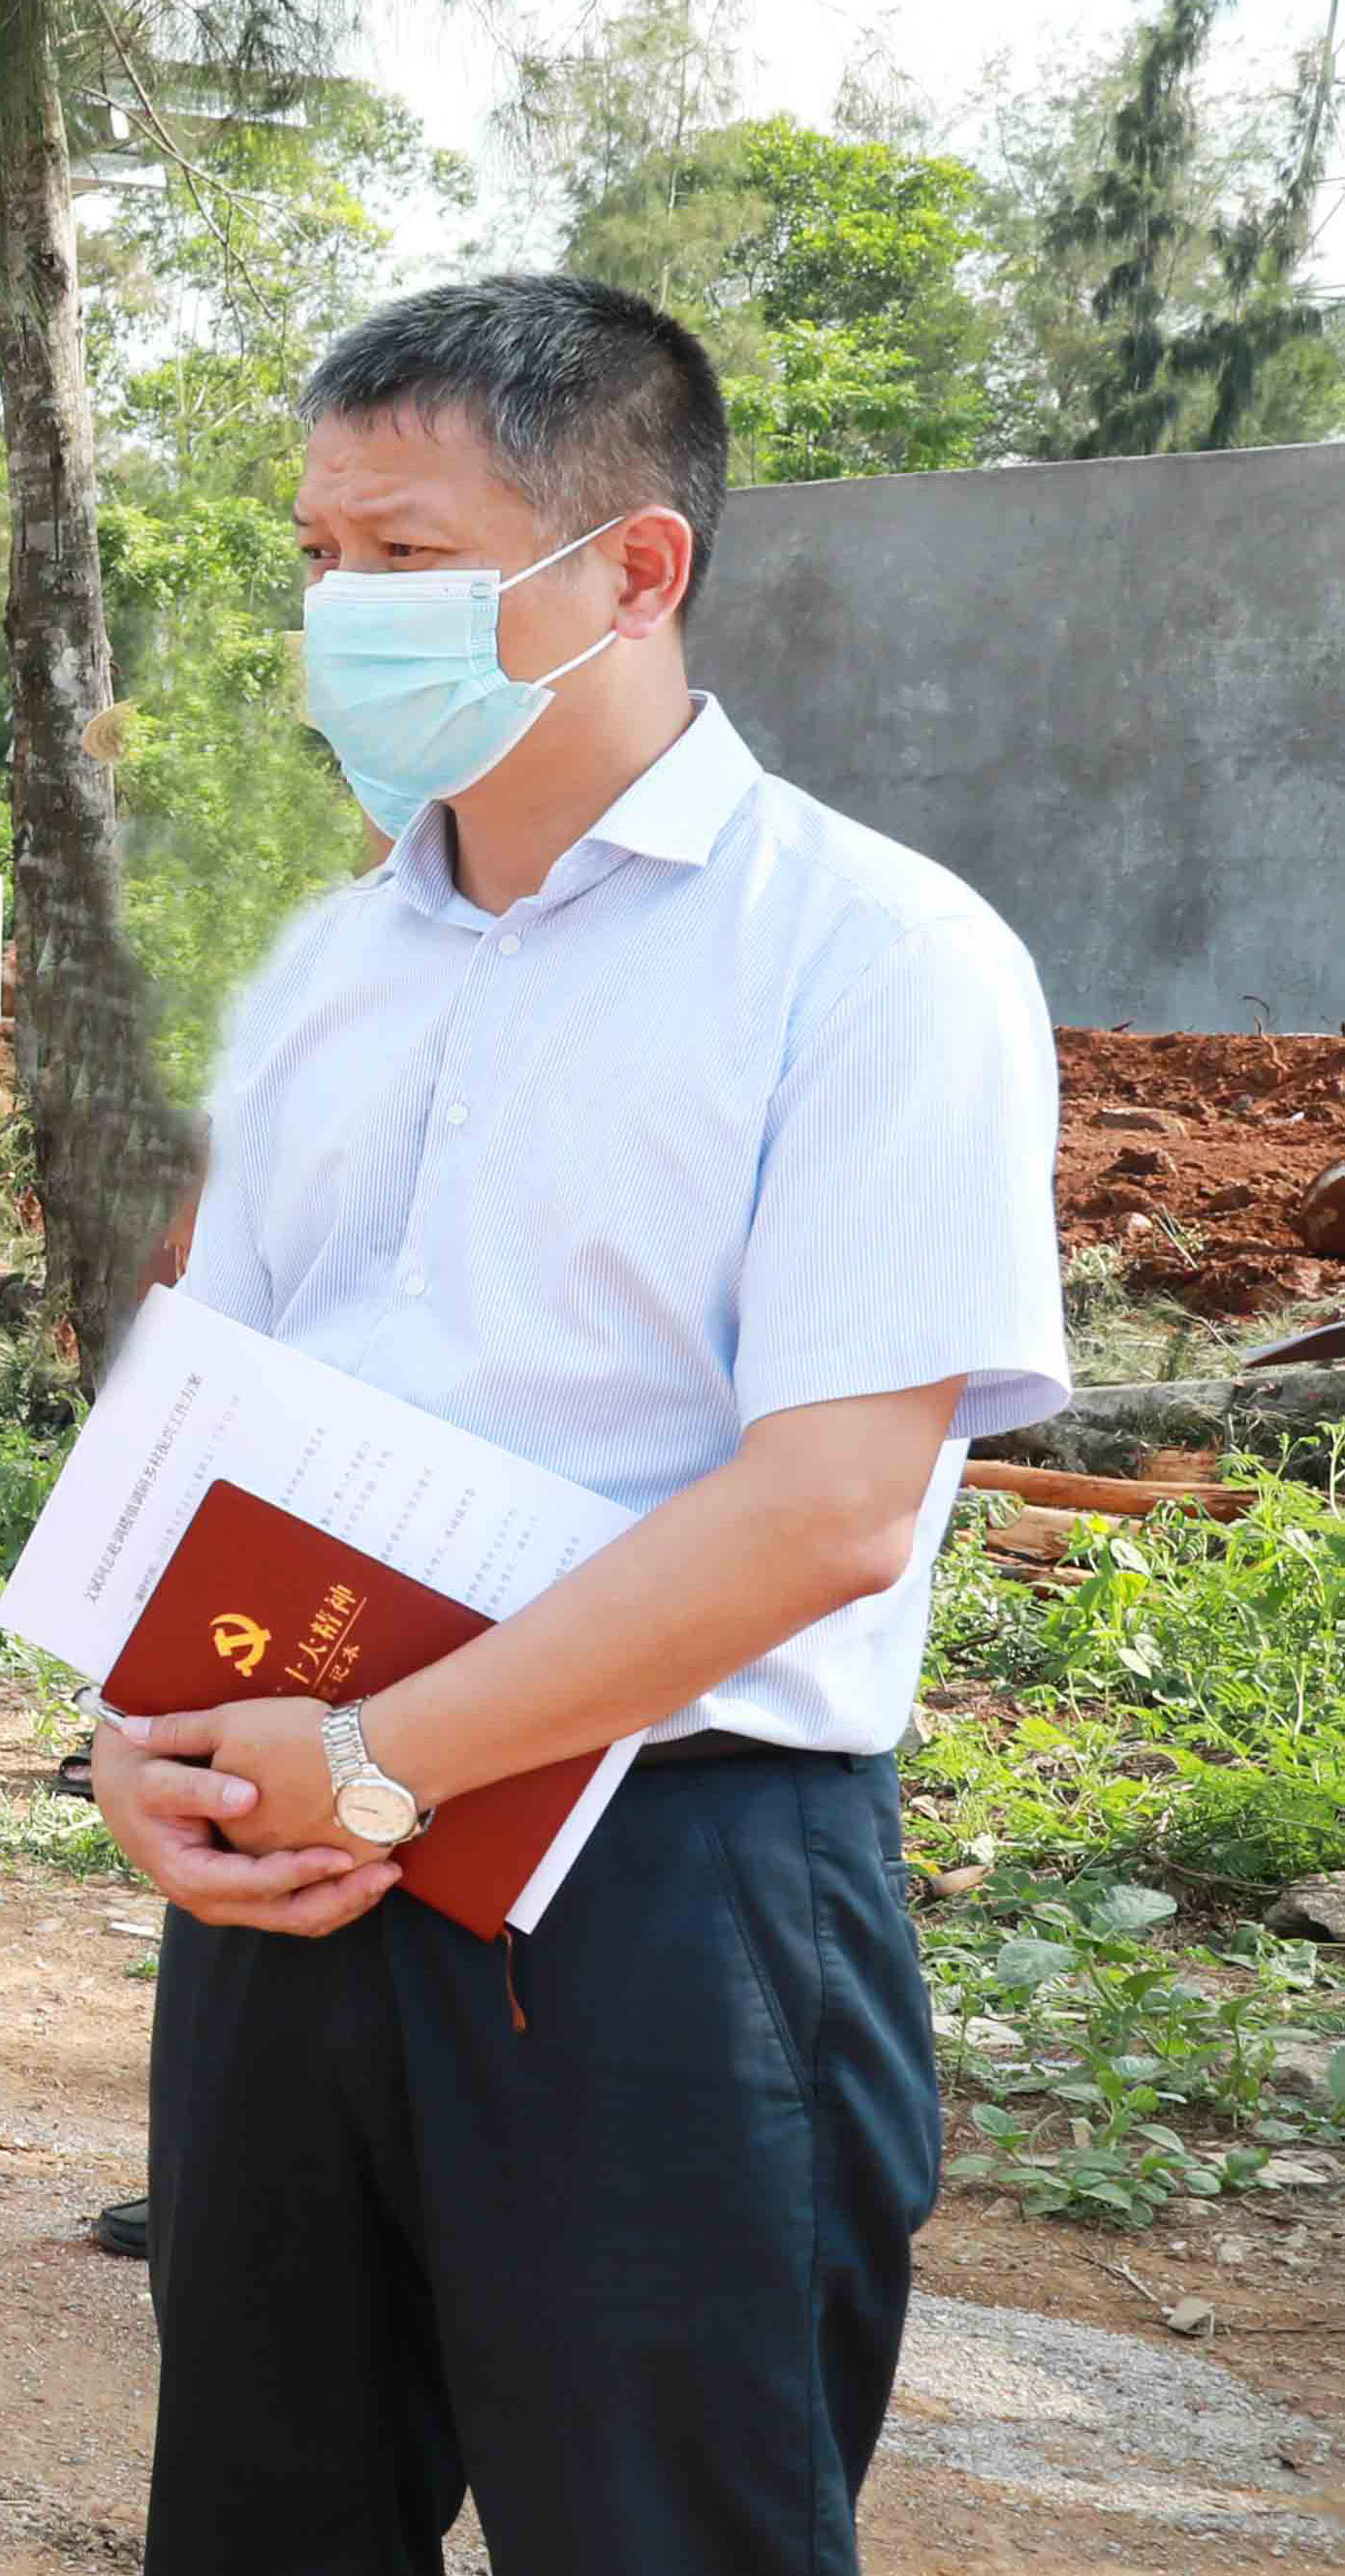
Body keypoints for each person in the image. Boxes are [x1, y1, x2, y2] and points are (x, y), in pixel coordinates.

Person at [90, 275, 1060, 2575]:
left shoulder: (871, 959)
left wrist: (394, 1749)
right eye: (318, 557)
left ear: (635, 568)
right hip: (298, 1866)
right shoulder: (334, 968)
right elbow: (215, 1406)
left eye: (406, 556)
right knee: (260, 2519)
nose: (342, 612)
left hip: (670, 1894)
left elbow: (828, 1510)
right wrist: (148, 1735)